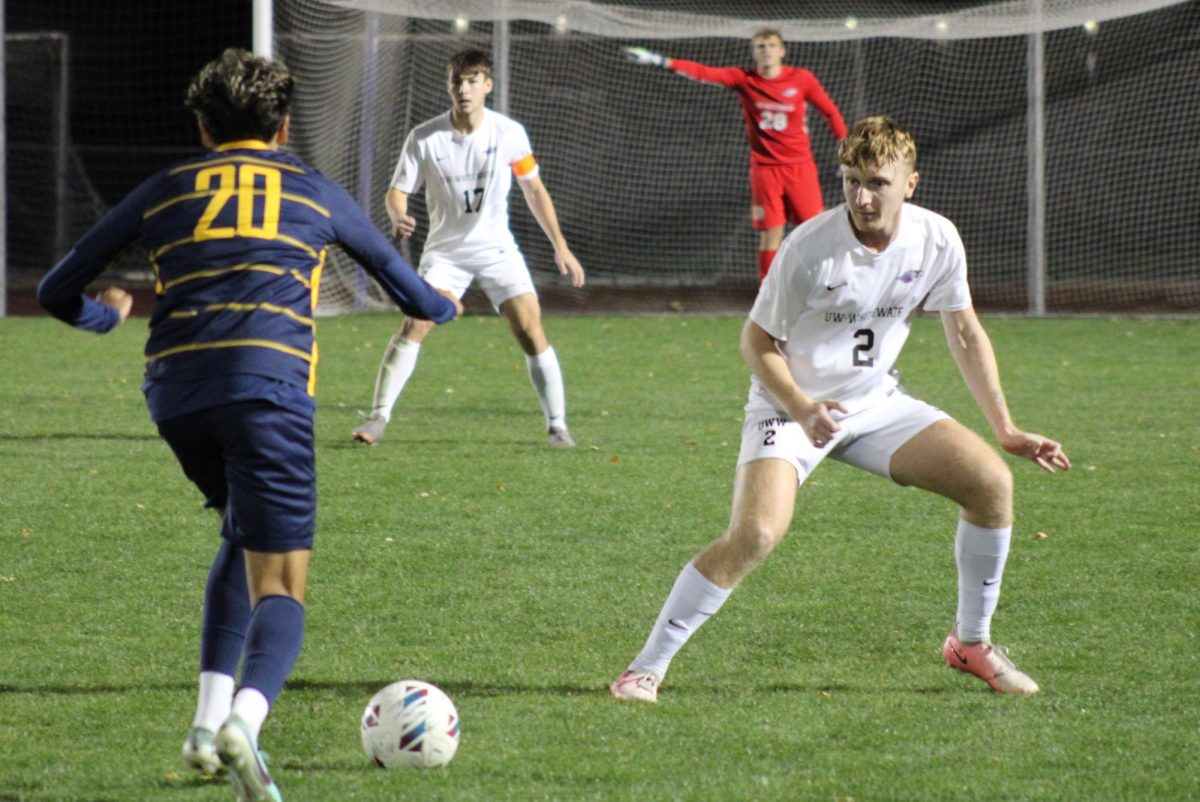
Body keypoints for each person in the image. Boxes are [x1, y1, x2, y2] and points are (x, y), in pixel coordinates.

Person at [37, 48, 461, 802]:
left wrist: (103, 317)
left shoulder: (165, 189)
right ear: (285, 124)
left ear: (203, 128)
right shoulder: (314, 189)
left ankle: (205, 726)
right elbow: (409, 293)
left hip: (174, 396)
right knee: (283, 585)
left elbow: (54, 288)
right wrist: (444, 306)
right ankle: (247, 721)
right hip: (266, 392)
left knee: (240, 532)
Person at [609, 115, 1071, 704]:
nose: (861, 195)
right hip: (791, 406)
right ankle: (644, 668)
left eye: (877, 182)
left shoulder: (937, 239)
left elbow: (964, 332)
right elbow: (755, 342)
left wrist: (1004, 427)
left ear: (911, 184)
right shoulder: (810, 248)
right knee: (756, 532)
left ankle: (971, 643)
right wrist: (802, 409)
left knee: (990, 483)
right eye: (851, 179)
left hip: (875, 404)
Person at [351, 48, 586, 448]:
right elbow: (398, 190)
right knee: (415, 323)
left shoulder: (508, 132)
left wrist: (561, 246)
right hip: (445, 252)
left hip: (497, 249)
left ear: (487, 86)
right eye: (457, 81)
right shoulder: (425, 136)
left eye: (472, 81)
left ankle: (558, 426)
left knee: (530, 328)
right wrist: (398, 215)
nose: (464, 89)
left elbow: (533, 189)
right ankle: (378, 418)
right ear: (448, 86)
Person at [625, 28, 847, 282]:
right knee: (770, 235)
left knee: (813, 230)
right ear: (753, 52)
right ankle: (768, 295)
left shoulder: (801, 79)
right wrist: (660, 61)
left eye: (772, 45)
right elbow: (703, 72)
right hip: (765, 171)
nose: (767, 51)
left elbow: (830, 111)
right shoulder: (744, 78)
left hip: (800, 168)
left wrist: (845, 146)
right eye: (761, 46)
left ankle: (829, 284)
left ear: (782, 51)